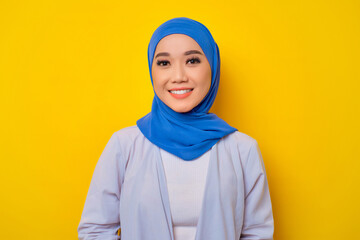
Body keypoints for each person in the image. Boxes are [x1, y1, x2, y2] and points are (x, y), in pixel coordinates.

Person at [77, 17, 274, 240]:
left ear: (213, 66)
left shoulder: (243, 150)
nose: (179, 76)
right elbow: (96, 230)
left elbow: (258, 233)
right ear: (152, 71)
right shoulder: (124, 145)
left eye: (192, 61)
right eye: (164, 63)